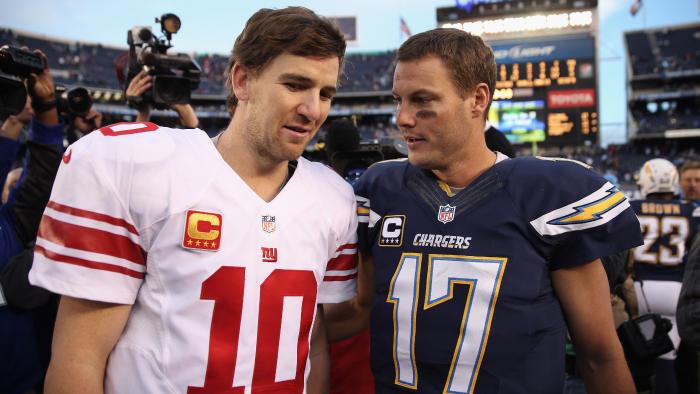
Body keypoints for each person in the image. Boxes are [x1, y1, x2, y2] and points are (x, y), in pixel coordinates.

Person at [29, 7, 357, 393]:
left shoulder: (334, 198)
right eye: (295, 85)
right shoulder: (140, 168)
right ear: (242, 81)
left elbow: (311, 344)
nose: (312, 109)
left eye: (325, 93)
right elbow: (79, 358)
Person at [352, 28, 643, 393]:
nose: (403, 118)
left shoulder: (546, 194)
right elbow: (355, 313)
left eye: (422, 100)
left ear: (477, 99)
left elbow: (599, 356)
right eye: (399, 100)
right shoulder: (380, 190)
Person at [630, 158, 700, 394]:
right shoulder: (692, 210)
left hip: (641, 292)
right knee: (667, 359)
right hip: (675, 290)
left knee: (642, 351)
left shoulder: (631, 206)